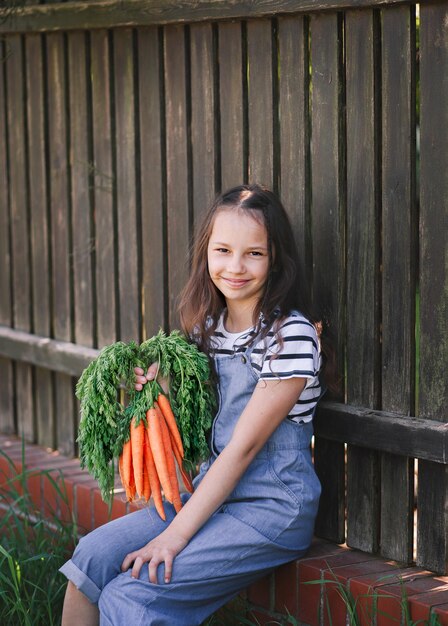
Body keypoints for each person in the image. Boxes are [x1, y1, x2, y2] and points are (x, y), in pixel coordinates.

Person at [60, 183, 334, 626]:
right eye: (223, 250)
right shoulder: (207, 329)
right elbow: (197, 426)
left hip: (269, 506)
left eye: (254, 254)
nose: (235, 267)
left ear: (276, 258)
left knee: (135, 595)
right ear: (206, 252)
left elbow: (243, 449)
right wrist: (153, 391)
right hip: (209, 491)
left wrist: (174, 536)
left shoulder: (291, 337)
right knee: (91, 557)